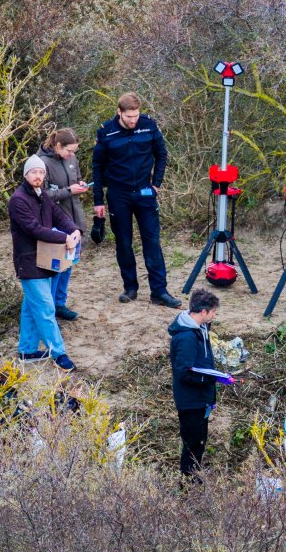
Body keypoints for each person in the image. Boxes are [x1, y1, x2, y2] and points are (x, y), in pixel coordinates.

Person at [92, 91, 177, 308]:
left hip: (145, 192)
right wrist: (98, 200)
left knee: (152, 242)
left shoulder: (149, 125)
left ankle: (159, 291)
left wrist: (156, 184)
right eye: (129, 116)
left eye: (136, 115)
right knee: (123, 243)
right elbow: (97, 167)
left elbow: (162, 155)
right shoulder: (106, 131)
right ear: (119, 112)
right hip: (118, 193)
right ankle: (130, 288)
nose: (133, 120)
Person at [9, 154, 81, 372]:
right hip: (29, 262)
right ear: (25, 174)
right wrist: (64, 238)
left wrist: (73, 229)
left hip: (45, 260)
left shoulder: (43, 196)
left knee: (32, 308)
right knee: (46, 309)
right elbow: (34, 229)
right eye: (34, 172)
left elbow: (59, 216)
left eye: (41, 172)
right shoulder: (18, 200)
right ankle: (59, 354)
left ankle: (27, 351)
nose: (38, 176)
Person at [168, 287, 227, 480]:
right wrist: (210, 378)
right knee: (192, 445)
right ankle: (188, 486)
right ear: (204, 312)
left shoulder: (201, 329)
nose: (214, 316)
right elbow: (184, 373)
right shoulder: (186, 338)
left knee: (199, 443)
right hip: (191, 402)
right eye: (213, 312)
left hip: (201, 399)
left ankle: (194, 479)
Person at [40, 127, 89, 322]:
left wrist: (80, 185)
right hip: (55, 221)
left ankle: (60, 304)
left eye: (74, 151)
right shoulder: (42, 164)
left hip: (73, 218)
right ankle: (49, 307)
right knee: (55, 267)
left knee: (68, 264)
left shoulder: (72, 160)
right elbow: (43, 195)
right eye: (69, 151)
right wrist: (69, 190)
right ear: (58, 145)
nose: (72, 155)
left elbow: (75, 181)